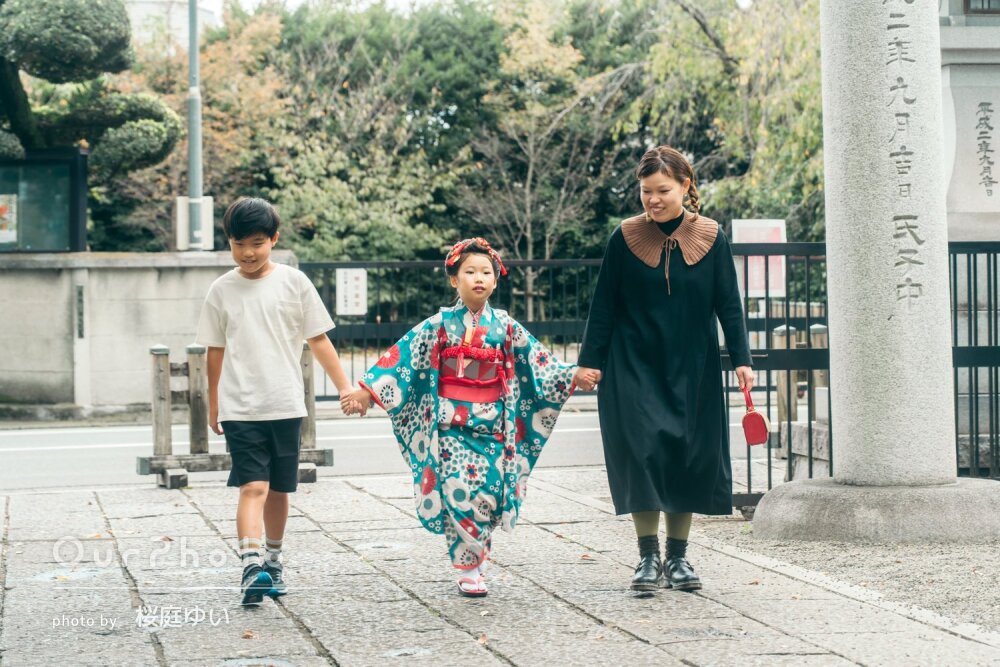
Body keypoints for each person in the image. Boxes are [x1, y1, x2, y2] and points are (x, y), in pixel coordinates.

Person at [341, 238, 592, 597]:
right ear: (454, 280)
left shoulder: (506, 326)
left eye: (486, 272)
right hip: (450, 429)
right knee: (457, 492)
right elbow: (404, 358)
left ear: (495, 280)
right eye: (470, 272)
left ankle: (477, 553)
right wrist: (368, 392)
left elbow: (540, 363)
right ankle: (468, 567)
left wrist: (571, 375)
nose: (479, 278)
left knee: (489, 494)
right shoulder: (439, 325)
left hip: (492, 426)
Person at [574, 146, 754, 593]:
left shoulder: (712, 237)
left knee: (684, 455)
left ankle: (678, 557)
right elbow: (604, 305)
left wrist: (742, 359)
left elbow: (729, 305)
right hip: (632, 363)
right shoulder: (624, 237)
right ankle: (647, 557)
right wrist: (590, 361)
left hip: (693, 365)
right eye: (645, 191)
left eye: (662, 191)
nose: (652, 200)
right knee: (642, 454)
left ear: (685, 187)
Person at [196, 197, 355, 606]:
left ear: (274, 240)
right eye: (239, 244)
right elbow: (214, 350)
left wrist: (344, 387)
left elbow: (318, 339)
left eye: (257, 243)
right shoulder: (221, 290)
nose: (248, 253)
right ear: (229, 242)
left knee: (280, 490)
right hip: (241, 407)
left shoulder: (294, 283)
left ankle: (273, 560)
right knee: (253, 485)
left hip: (285, 404)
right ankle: (251, 567)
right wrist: (214, 403)